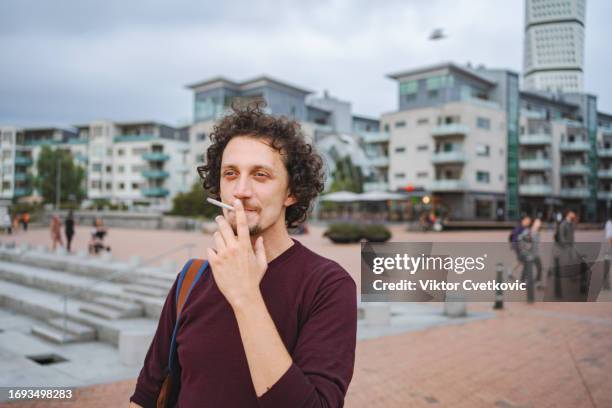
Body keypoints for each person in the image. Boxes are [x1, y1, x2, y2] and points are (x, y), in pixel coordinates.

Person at [130, 103, 357, 408]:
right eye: (230, 174)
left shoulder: (328, 285)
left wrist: (245, 296)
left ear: (292, 192)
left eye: (260, 175)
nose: (240, 190)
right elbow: (146, 395)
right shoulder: (192, 278)